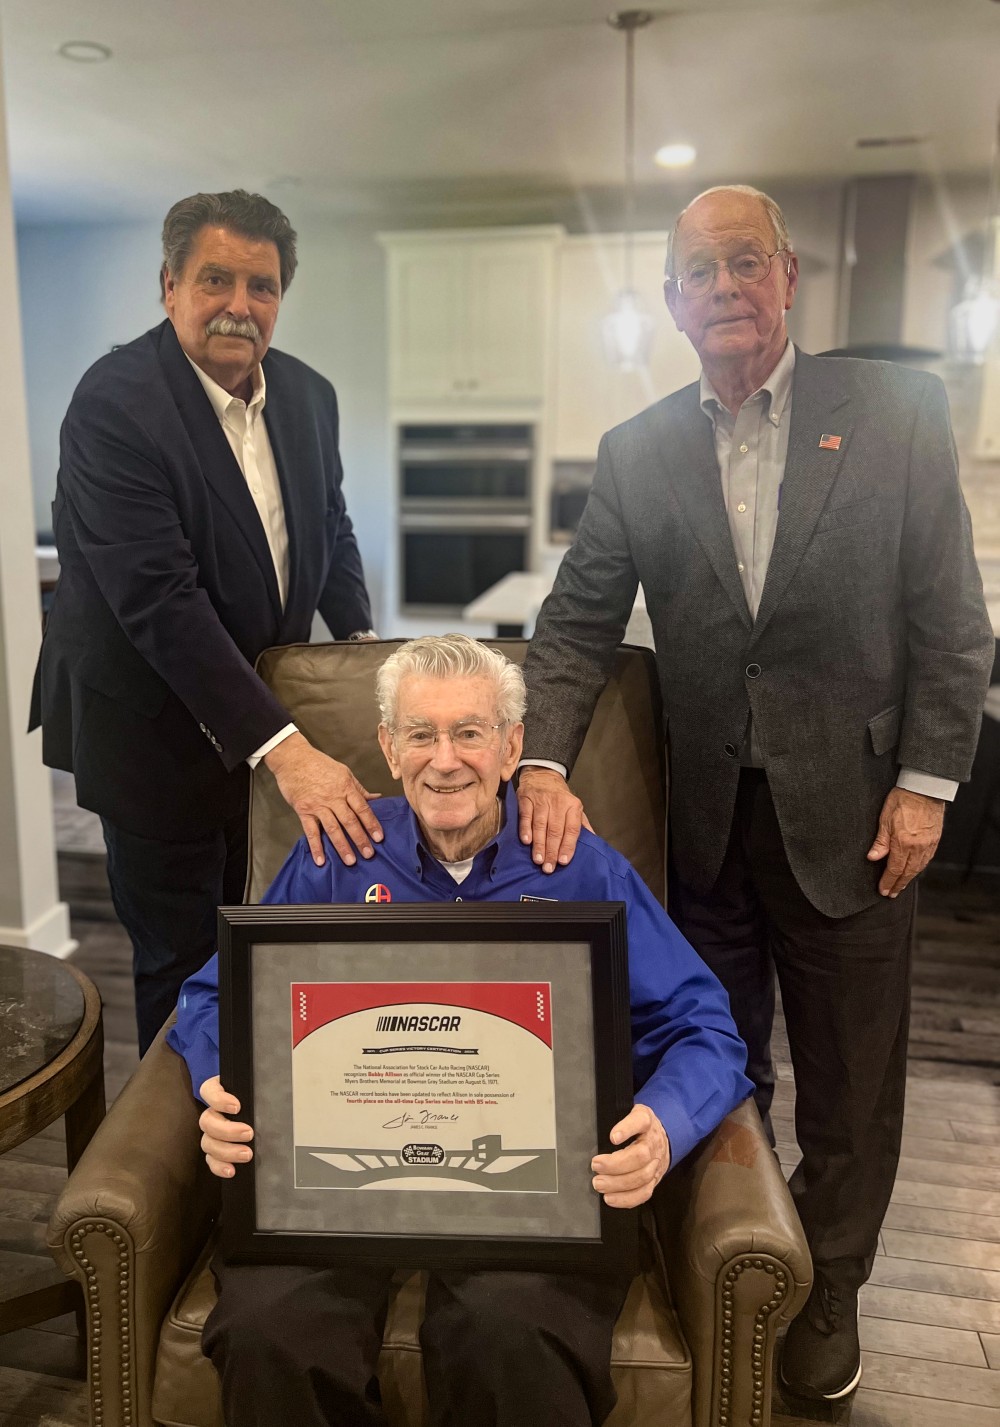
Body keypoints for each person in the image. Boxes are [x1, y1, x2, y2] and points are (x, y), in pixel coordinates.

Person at [516, 185, 995, 1403]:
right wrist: (537, 756)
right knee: (719, 1058)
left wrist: (927, 785)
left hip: (858, 819)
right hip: (708, 829)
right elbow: (574, 625)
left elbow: (951, 621)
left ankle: (829, 1283)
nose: (722, 287)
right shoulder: (637, 452)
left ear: (787, 278)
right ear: (671, 301)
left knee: (849, 1080)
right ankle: (744, 1253)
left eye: (745, 262)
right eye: (697, 270)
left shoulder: (895, 411)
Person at [167, 633, 752, 1427]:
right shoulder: (335, 856)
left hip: (527, 1201)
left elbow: (706, 1027)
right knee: (271, 1332)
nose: (445, 760)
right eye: (421, 733)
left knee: (511, 1336)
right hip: (337, 1192)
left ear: (513, 747)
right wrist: (217, 1088)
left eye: (470, 732)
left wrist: (662, 1125)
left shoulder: (581, 867)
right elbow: (210, 997)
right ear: (387, 746)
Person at [29, 189, 386, 1056]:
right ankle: (182, 1162)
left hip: (257, 719)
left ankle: (248, 1105)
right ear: (169, 287)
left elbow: (327, 526)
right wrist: (288, 748)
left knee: (255, 930)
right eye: (215, 279)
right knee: (184, 960)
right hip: (151, 732)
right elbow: (161, 599)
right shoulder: (114, 405)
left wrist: (371, 651)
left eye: (260, 285)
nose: (239, 304)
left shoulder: (309, 395)